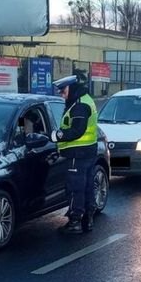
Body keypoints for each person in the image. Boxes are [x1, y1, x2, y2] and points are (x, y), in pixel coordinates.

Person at [50, 75, 98, 234]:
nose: (62, 94)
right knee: (87, 186)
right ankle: (87, 220)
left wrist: (58, 136)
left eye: (63, 91)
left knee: (75, 188)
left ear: (71, 88)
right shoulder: (84, 99)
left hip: (78, 154)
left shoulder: (79, 105)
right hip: (88, 151)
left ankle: (75, 221)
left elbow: (77, 130)